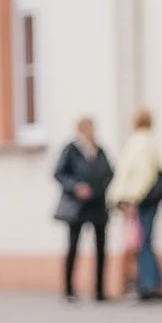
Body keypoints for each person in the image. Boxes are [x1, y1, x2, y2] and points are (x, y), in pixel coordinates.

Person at [107, 108, 162, 301]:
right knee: (144, 240)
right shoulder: (148, 142)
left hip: (141, 199)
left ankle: (149, 284)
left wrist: (130, 198)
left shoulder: (138, 144)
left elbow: (140, 175)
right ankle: (152, 282)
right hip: (145, 198)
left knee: (142, 241)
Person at [53, 117, 113, 302]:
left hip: (98, 204)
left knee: (101, 247)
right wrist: (76, 187)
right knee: (73, 246)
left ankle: (100, 291)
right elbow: (59, 173)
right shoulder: (71, 150)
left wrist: (101, 187)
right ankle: (69, 290)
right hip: (77, 206)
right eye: (88, 129)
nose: (92, 132)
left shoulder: (99, 150)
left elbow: (110, 172)